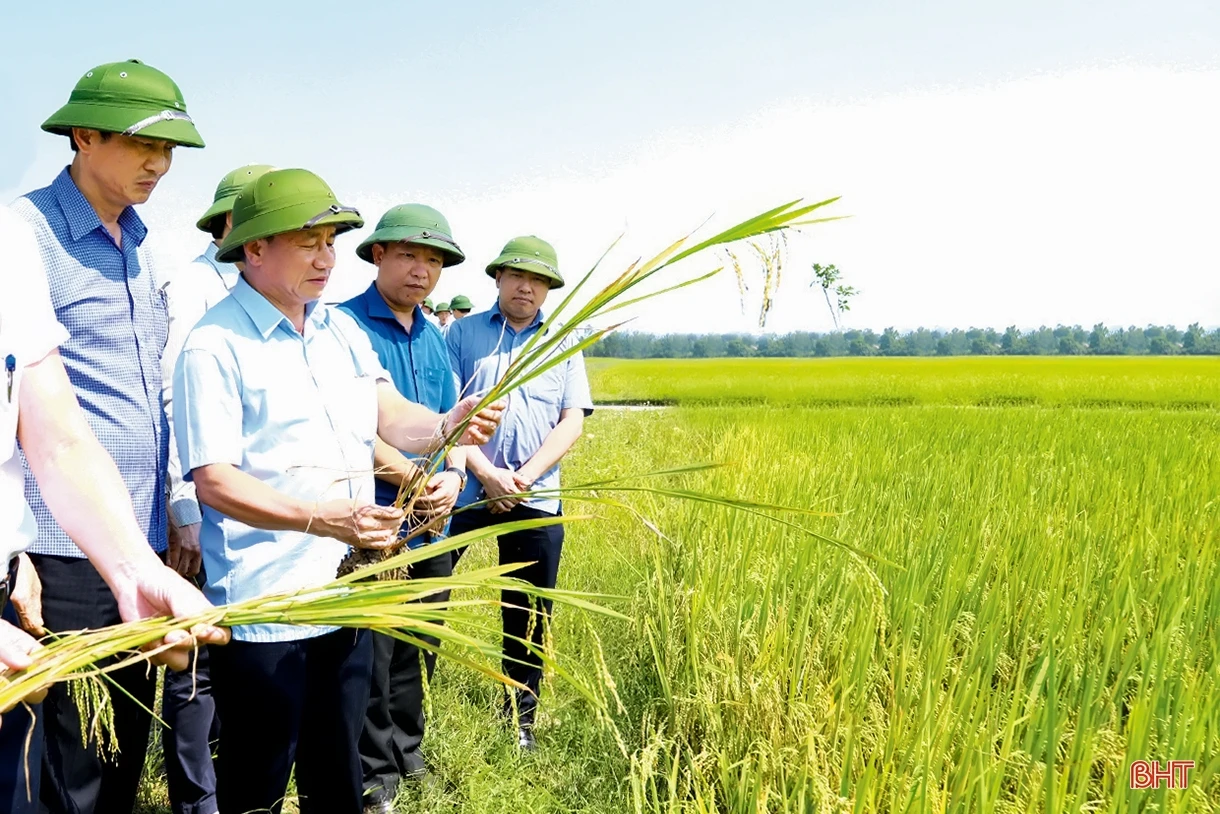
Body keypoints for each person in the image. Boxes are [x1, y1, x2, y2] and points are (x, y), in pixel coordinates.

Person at [173, 169, 503, 814]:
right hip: (268, 609)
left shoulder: (338, 332)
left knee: (337, 774)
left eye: (330, 242)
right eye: (308, 243)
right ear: (254, 248)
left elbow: (391, 417)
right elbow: (215, 480)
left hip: (347, 596)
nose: (326, 258)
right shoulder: (214, 345)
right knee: (258, 785)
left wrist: (447, 424)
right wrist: (324, 519)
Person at [9, 58, 209, 814]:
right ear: (83, 136)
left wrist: (173, 513)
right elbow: (40, 418)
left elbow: (153, 391)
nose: (159, 164)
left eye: (169, 150)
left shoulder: (147, 249)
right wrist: (17, 553)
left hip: (136, 537)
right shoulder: (25, 237)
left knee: (121, 740)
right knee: (66, 755)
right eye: (142, 144)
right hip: (57, 546)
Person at [338, 203, 467, 812]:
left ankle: (408, 754)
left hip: (434, 518)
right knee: (375, 648)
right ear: (378, 255)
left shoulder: (436, 337)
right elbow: (357, 430)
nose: (422, 271)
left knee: (420, 638)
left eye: (434, 260)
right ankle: (373, 774)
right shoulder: (343, 327)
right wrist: (415, 478)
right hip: (377, 519)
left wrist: (454, 475)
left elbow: (452, 422)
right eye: (409, 255)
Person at [446, 236, 593, 751]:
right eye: (516, 276)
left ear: (549, 289)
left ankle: (520, 718)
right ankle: (409, 717)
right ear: (498, 279)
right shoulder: (462, 333)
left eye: (538, 280)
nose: (526, 287)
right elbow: (446, 412)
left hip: (535, 495)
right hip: (465, 488)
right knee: (428, 590)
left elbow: (571, 420)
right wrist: (486, 473)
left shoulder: (563, 341)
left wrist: (522, 477)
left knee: (528, 610)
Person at [159, 163, 273, 814]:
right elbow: (172, 399)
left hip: (256, 511)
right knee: (195, 663)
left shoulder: (271, 294)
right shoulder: (196, 288)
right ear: (231, 223)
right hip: (207, 504)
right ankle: (196, 800)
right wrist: (184, 508)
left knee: (238, 650)